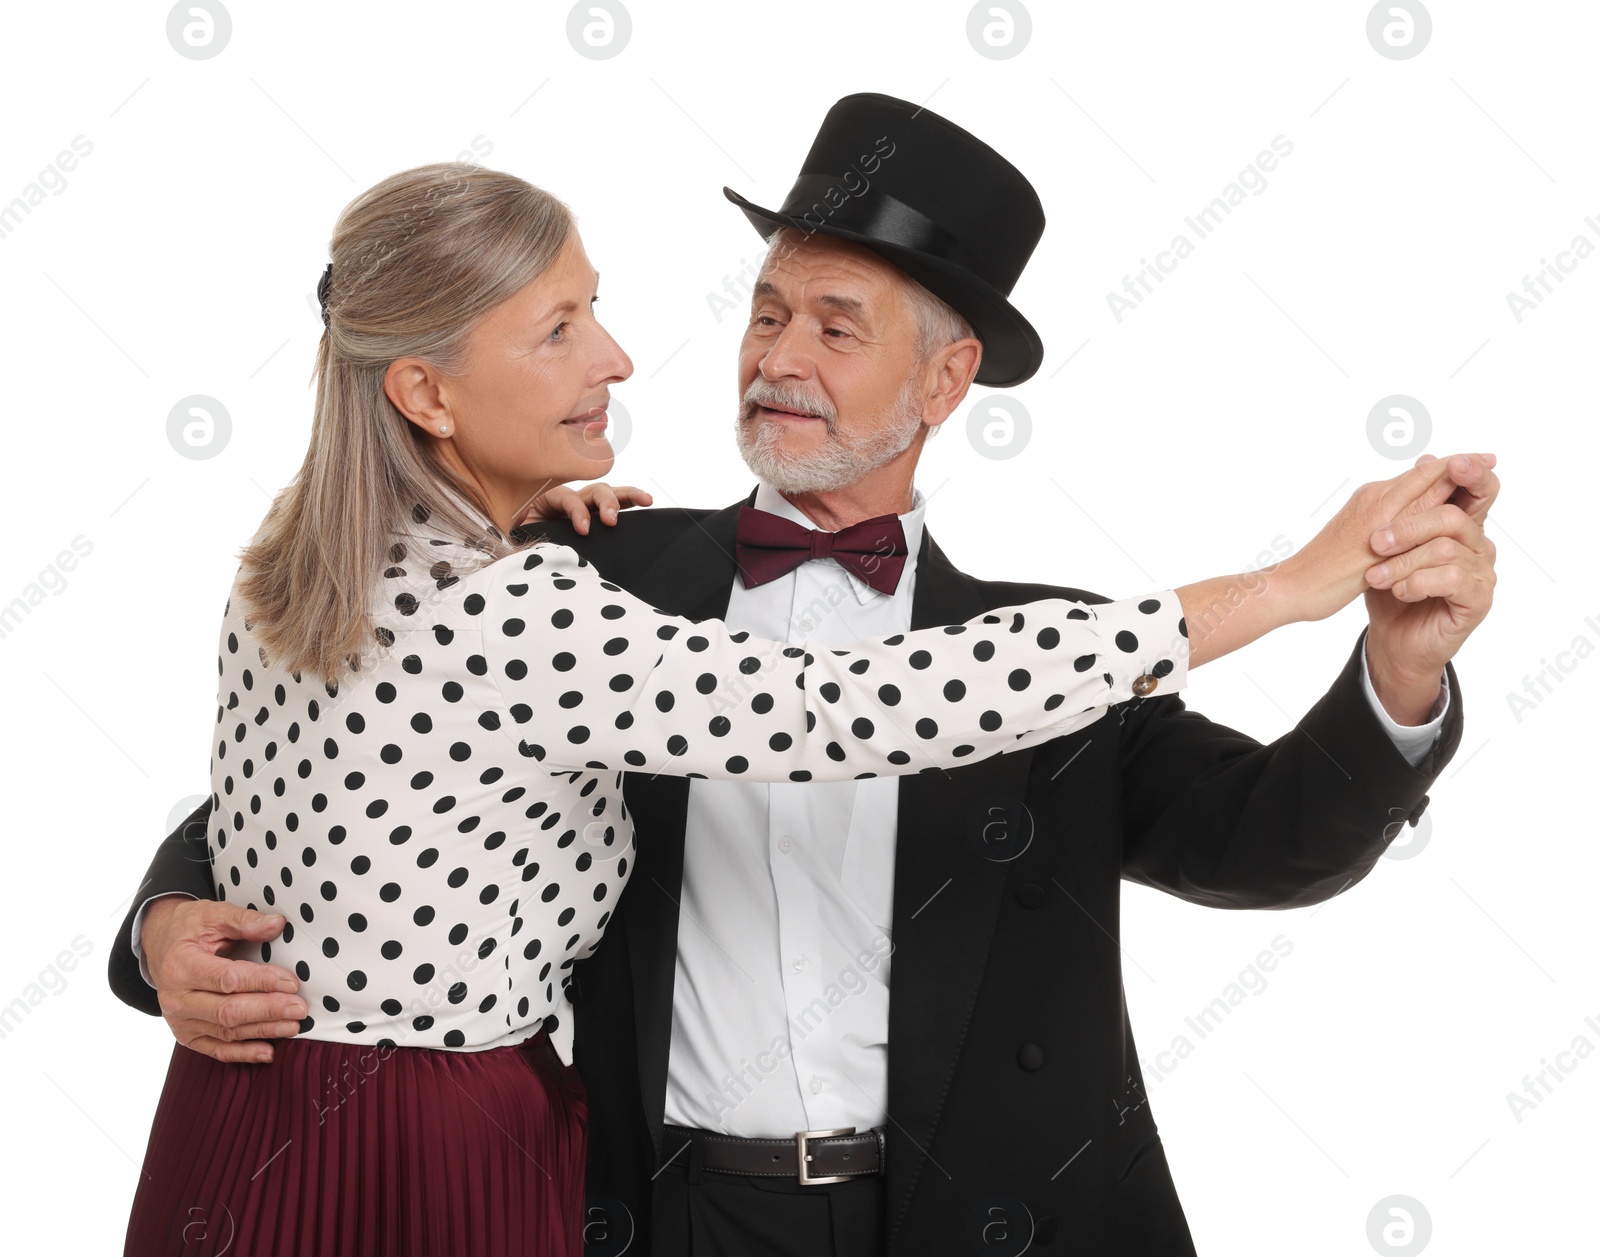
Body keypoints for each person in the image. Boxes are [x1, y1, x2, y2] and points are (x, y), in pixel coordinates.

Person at [111, 96, 1498, 1256]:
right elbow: (355, 766)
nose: (777, 357)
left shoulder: (1043, 655)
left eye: (836, 326)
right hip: (651, 1213)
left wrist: (1397, 668)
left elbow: (1267, 843)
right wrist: (170, 917)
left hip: (961, 1218)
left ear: (946, 378)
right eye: (765, 313)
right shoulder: (582, 574)